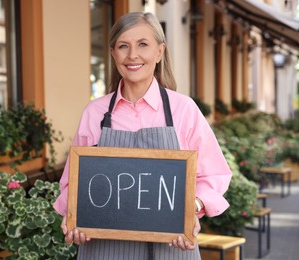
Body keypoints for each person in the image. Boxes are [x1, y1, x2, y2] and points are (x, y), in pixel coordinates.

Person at [53, 12, 232, 260]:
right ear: (113, 53)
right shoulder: (95, 112)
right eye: (123, 46)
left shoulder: (184, 109)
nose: (132, 55)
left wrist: (193, 208)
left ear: (159, 52)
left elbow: (214, 174)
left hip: (173, 247)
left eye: (143, 45)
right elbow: (74, 182)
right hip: (105, 250)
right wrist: (74, 215)